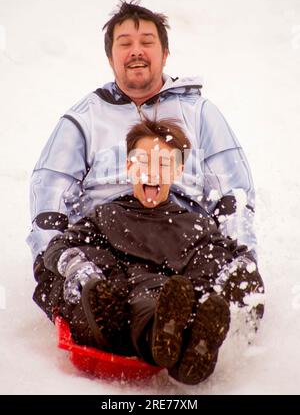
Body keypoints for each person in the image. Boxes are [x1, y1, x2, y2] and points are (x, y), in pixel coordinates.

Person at [39, 118, 264, 385]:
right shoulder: (108, 215)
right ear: (129, 166)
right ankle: (168, 338)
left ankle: (196, 343)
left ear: (178, 170)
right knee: (133, 293)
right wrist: (78, 268)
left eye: (163, 164)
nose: (152, 172)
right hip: (126, 295)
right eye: (144, 161)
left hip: (180, 295)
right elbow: (57, 247)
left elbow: (235, 255)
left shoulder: (194, 224)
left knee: (209, 270)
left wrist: (239, 273)